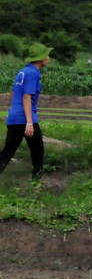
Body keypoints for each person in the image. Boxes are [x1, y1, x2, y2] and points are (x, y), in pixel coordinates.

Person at [0, 43, 52, 181]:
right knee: (38, 151)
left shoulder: (23, 71)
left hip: (14, 117)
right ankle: (36, 183)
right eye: (47, 55)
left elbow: (13, 95)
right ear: (41, 58)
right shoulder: (34, 73)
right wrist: (29, 122)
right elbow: (26, 97)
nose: (49, 58)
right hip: (25, 118)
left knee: (7, 152)